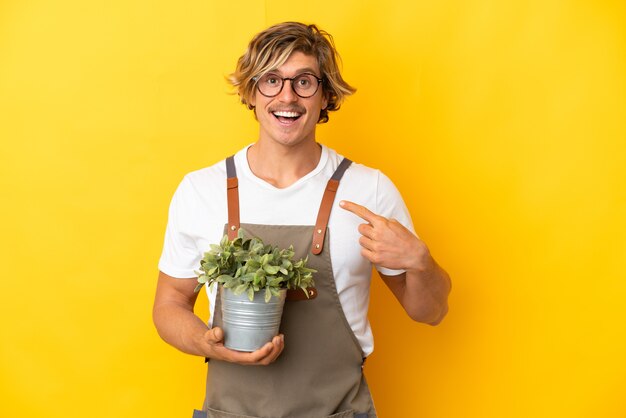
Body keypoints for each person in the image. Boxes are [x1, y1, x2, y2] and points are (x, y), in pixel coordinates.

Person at [153, 21, 451, 418]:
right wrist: (208, 344)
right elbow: (169, 305)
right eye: (271, 80)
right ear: (251, 92)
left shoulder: (369, 191)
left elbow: (430, 312)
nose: (287, 97)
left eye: (304, 82)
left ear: (326, 95)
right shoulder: (200, 190)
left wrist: (420, 261)